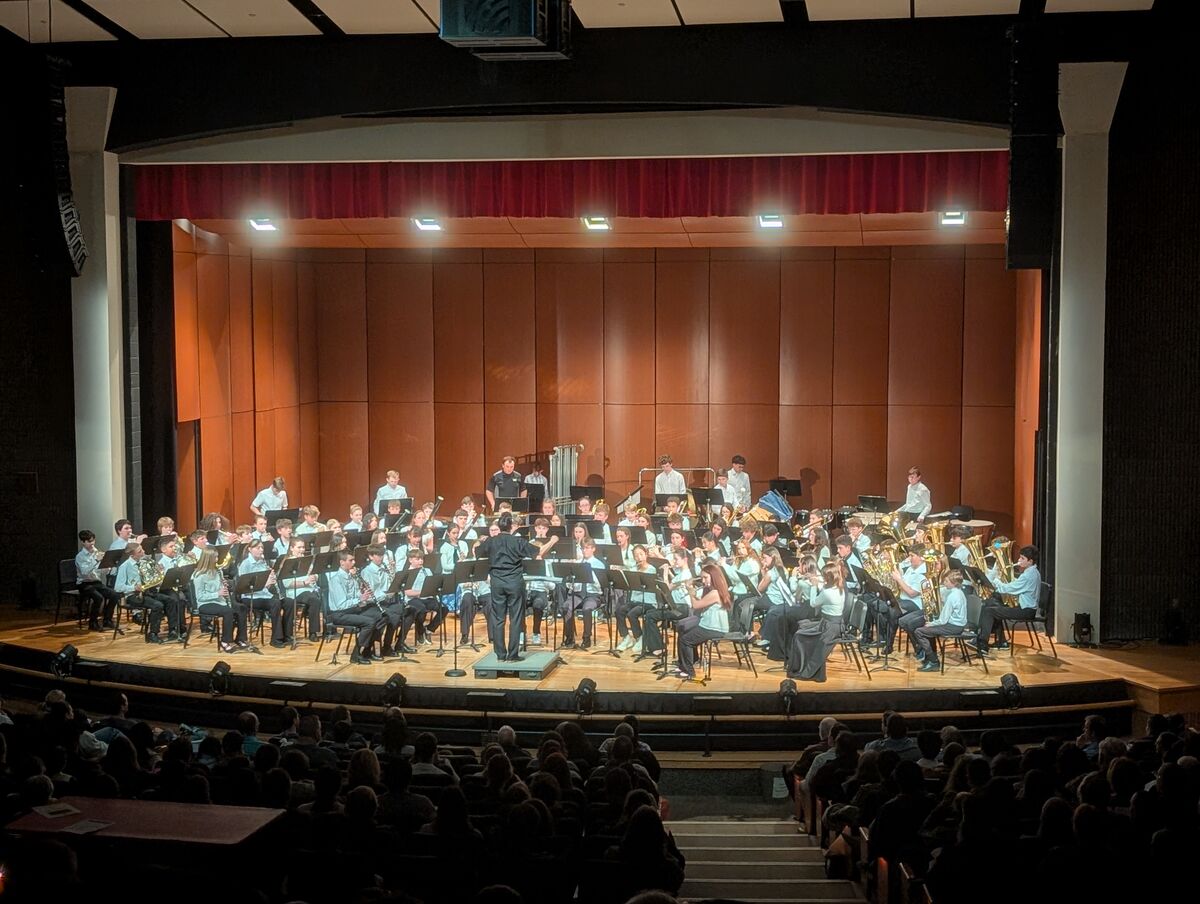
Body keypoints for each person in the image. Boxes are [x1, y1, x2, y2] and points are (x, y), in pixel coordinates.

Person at [474, 511, 558, 661]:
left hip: (497, 583)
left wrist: (481, 542)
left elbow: (477, 552)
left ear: (499, 526)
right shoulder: (517, 541)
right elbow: (537, 552)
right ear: (511, 526)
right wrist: (552, 541)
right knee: (516, 618)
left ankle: (500, 655)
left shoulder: (491, 541)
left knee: (498, 618)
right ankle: (513, 654)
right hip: (514, 582)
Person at [974, 544, 1042, 654]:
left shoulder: (1029, 575)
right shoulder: (1031, 572)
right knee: (994, 606)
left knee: (989, 611)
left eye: (1022, 558)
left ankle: (982, 644)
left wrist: (996, 580)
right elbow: (1016, 585)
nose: (1019, 560)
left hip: (1026, 611)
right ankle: (1001, 641)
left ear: (1030, 561)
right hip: (1025, 608)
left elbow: (1008, 588)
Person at [787, 561, 846, 681]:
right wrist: (815, 579)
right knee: (802, 628)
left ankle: (804, 670)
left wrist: (814, 585)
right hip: (831, 624)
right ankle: (800, 666)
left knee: (800, 636)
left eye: (824, 576)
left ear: (828, 578)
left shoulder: (828, 593)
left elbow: (813, 603)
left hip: (830, 628)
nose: (822, 578)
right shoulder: (838, 587)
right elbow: (825, 585)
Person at [673, 564, 732, 681]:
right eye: (702, 578)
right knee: (683, 629)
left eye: (705, 577)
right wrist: (694, 593)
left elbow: (696, 605)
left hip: (714, 628)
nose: (703, 581)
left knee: (686, 640)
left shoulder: (715, 593)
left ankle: (689, 671)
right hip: (708, 624)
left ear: (713, 577)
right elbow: (701, 604)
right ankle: (686, 663)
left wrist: (690, 593)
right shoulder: (712, 590)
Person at [327, 550, 385, 665]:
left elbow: (355, 595)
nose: (354, 562)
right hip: (339, 614)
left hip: (353, 610)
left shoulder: (351, 577)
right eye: (350, 560)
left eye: (354, 560)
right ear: (342, 562)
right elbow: (341, 604)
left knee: (381, 616)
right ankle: (356, 654)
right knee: (369, 622)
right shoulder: (336, 580)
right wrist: (360, 599)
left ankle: (367, 651)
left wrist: (363, 593)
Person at [191, 548, 247, 652]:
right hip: (205, 604)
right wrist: (218, 593)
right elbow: (200, 597)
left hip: (220, 601)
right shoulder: (199, 575)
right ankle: (225, 641)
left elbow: (221, 589)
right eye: (215, 557)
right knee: (228, 611)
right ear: (208, 559)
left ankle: (240, 638)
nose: (217, 560)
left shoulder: (218, 571)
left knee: (242, 608)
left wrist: (225, 586)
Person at [915, 570, 969, 671]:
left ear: (953, 583)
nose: (944, 583)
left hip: (953, 627)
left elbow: (943, 620)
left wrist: (931, 624)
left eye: (946, 581)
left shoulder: (953, 596)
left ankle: (933, 661)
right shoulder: (960, 593)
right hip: (957, 625)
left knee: (919, 631)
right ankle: (929, 659)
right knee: (928, 632)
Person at [75, 530, 120, 630]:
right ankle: (93, 622)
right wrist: (96, 560)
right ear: (83, 542)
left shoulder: (96, 552)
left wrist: (106, 565)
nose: (92, 544)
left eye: (93, 541)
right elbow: (85, 572)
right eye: (89, 541)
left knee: (114, 595)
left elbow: (101, 572)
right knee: (98, 598)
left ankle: (107, 620)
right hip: (84, 583)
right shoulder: (80, 556)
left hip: (96, 582)